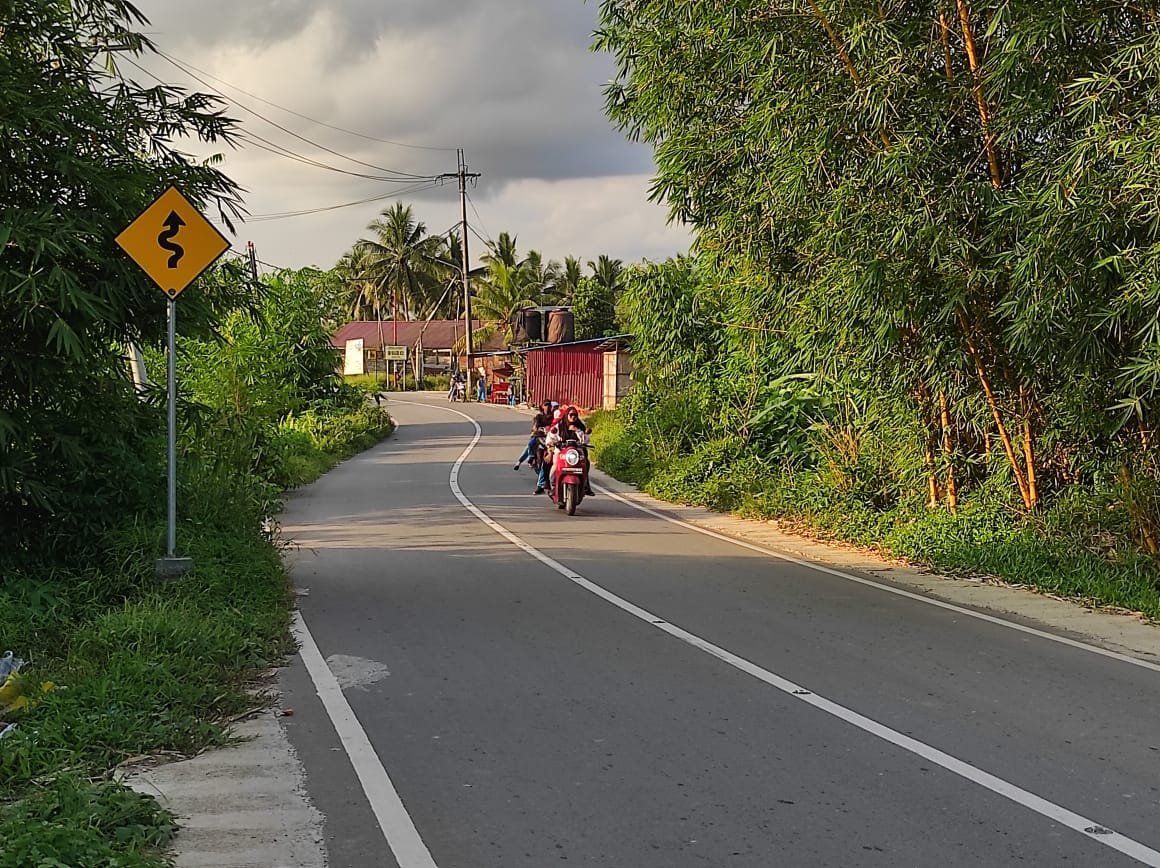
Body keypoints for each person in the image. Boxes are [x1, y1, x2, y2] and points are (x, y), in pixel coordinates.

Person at [515, 401, 553, 470]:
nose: (548, 407)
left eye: (549, 405)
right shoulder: (539, 416)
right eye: (546, 405)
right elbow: (535, 426)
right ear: (542, 406)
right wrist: (538, 429)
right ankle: (530, 457)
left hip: (550, 436)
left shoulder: (553, 417)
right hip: (539, 436)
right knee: (530, 443)